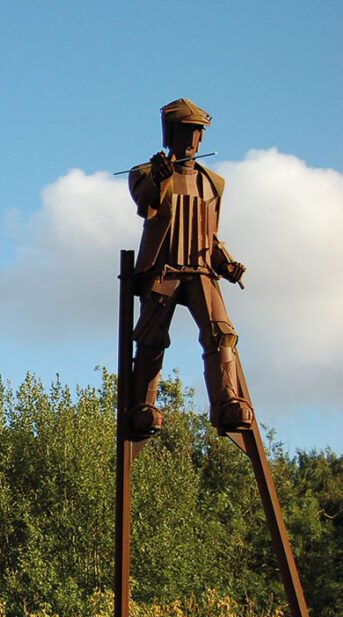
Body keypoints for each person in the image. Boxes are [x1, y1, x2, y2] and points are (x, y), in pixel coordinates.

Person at [127, 98, 251, 437]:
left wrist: (226, 263)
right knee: (151, 338)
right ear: (171, 132)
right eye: (187, 130)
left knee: (221, 332)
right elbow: (146, 203)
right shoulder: (145, 173)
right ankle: (143, 406)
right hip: (163, 270)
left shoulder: (213, 183)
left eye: (198, 132)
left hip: (200, 271)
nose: (193, 139)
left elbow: (209, 234)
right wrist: (160, 178)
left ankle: (227, 402)